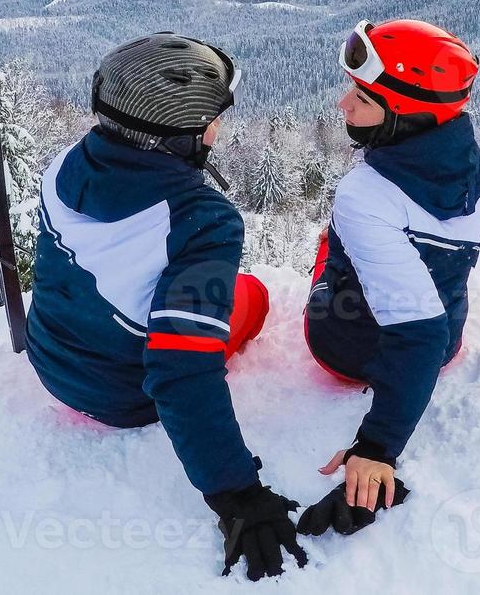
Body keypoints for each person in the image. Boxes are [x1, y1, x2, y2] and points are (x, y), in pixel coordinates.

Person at [25, 32, 306, 580]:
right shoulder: (203, 218)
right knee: (253, 295)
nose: (218, 129)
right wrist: (235, 493)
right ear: (190, 136)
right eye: (215, 120)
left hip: (50, 361)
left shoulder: (64, 165)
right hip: (126, 397)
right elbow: (182, 371)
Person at [298, 19, 480, 538]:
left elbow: (417, 333)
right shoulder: (464, 156)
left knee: (329, 243)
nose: (343, 104)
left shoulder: (365, 193)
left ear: (401, 112)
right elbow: (431, 332)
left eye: (361, 95)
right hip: (449, 339)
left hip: (350, 351)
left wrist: (376, 448)